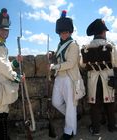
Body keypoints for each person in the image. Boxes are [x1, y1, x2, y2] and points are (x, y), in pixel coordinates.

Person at [0, 8, 24, 140]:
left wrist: (15, 64)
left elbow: (4, 64)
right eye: (2, 29)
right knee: (1, 113)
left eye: (6, 30)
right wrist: (17, 77)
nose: (5, 32)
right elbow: (2, 66)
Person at [50, 10, 85, 140]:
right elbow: (59, 58)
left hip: (70, 78)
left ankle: (69, 131)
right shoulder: (60, 45)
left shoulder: (73, 45)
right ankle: (73, 117)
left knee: (70, 105)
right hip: (60, 77)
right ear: (59, 33)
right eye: (61, 32)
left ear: (70, 32)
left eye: (66, 32)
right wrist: (53, 57)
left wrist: (56, 66)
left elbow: (70, 63)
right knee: (56, 102)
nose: (63, 34)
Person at [80, 18, 117, 136]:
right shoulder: (110, 46)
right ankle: (112, 127)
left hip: (93, 80)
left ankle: (96, 129)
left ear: (94, 33)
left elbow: (82, 65)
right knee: (110, 103)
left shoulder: (86, 47)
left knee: (95, 106)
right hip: (108, 79)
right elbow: (116, 63)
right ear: (103, 32)